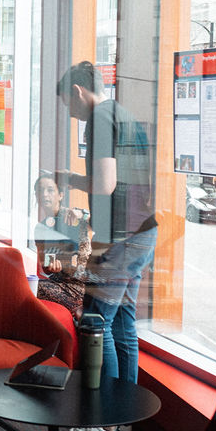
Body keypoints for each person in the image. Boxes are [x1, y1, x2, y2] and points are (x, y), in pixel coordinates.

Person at [55, 61, 157, 384]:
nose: (71, 114)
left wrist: (67, 179)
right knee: (124, 324)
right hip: (143, 231)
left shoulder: (99, 119)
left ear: (78, 91)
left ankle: (105, 421)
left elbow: (104, 184)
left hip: (121, 238)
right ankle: (125, 415)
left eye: (69, 106)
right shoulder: (122, 114)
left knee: (97, 322)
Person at [33, 173, 90, 319]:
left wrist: (82, 213)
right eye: (40, 190)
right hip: (58, 282)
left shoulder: (72, 216)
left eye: (50, 190)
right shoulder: (40, 228)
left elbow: (97, 218)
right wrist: (50, 266)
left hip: (81, 287)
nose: (45, 194)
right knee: (27, 285)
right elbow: (45, 266)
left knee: (31, 289)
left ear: (60, 195)